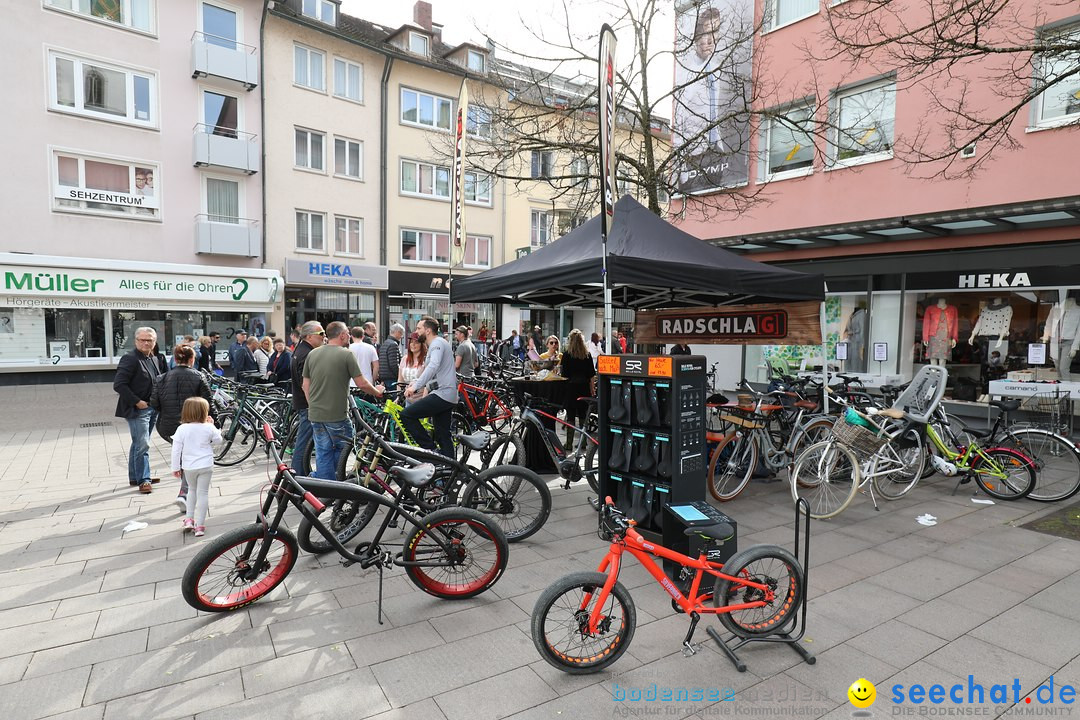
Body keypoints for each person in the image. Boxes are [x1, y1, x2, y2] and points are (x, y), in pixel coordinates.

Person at [303, 321, 384, 479]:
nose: (349, 336)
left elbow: (305, 385)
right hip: (337, 415)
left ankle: (326, 486)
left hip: (316, 414)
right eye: (347, 333)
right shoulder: (346, 354)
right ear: (341, 335)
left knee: (322, 451)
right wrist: (377, 392)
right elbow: (361, 383)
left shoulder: (313, 354)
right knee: (345, 448)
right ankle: (336, 484)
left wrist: (312, 405)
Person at [114, 326, 163, 494]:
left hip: (151, 408)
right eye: (142, 340)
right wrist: (137, 402)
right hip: (138, 409)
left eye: (149, 340)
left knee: (139, 443)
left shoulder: (153, 358)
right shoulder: (130, 359)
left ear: (154, 342)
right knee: (143, 444)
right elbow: (119, 385)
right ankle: (144, 480)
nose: (146, 343)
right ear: (136, 341)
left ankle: (136, 476)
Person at [401, 317, 458, 457]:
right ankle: (450, 467)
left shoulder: (437, 343)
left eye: (419, 329)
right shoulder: (437, 344)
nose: (416, 332)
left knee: (406, 415)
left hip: (442, 394)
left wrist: (415, 387)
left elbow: (433, 366)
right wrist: (415, 384)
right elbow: (430, 372)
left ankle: (430, 451)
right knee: (442, 434)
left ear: (427, 331)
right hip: (446, 394)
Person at [171, 397, 222, 538]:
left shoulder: (181, 429)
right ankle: (200, 526)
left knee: (191, 491)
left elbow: (176, 450)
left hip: (189, 467)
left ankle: (189, 519)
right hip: (206, 465)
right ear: (204, 412)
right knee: (203, 493)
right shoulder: (208, 427)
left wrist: (175, 467)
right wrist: (213, 426)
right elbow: (219, 440)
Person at [290, 322, 324, 472]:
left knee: (306, 441)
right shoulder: (307, 353)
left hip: (305, 404)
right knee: (304, 443)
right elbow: (306, 384)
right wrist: (313, 406)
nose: (324, 337)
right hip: (308, 405)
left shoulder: (302, 349)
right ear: (309, 336)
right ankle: (298, 474)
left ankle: (300, 472)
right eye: (321, 334)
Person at [559, 330, 597, 449]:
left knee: (570, 416)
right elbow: (591, 375)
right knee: (583, 416)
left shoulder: (566, 355)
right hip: (584, 388)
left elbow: (564, 374)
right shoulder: (587, 355)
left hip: (571, 388)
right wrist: (592, 389)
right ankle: (583, 443)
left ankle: (569, 444)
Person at [399, 332, 427, 405]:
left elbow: (428, 383)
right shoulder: (404, 359)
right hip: (408, 399)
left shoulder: (426, 360)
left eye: (416, 342)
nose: (413, 344)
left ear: (422, 344)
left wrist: (424, 400)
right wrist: (398, 397)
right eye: (411, 342)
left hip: (422, 400)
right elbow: (400, 380)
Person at [349, 326, 379, 391]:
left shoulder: (348, 348)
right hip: (367, 382)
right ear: (363, 336)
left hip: (352, 383)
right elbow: (376, 366)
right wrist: (373, 380)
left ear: (351, 336)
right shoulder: (371, 348)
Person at [378, 323, 405, 392]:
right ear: (397, 332)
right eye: (401, 333)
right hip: (392, 379)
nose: (402, 336)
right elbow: (394, 364)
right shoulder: (393, 345)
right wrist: (400, 377)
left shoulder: (385, 343)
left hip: (385, 379)